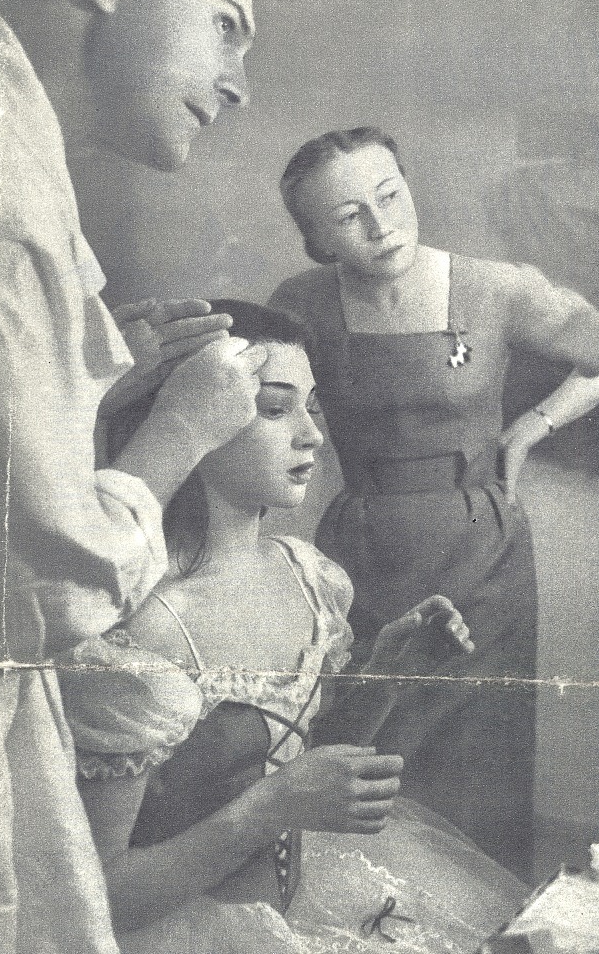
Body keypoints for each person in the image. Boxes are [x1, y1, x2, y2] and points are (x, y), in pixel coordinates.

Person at [0, 0, 277, 952]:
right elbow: (34, 593)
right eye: (225, 28)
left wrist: (92, 384)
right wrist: (180, 432)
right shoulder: (1, 196)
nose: (238, 84)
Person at [60, 300, 528, 954]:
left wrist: (383, 675)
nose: (312, 435)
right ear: (192, 418)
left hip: (301, 908)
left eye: (312, 408)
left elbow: (301, 764)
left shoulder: (308, 575)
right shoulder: (137, 632)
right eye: (274, 408)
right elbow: (96, 896)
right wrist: (271, 809)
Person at [268, 127, 599, 881]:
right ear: (317, 242)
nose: (381, 225)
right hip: (361, 556)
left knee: (479, 767)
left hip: (484, 558)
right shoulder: (300, 305)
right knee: (368, 749)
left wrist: (534, 424)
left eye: (389, 196)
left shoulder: (495, 288)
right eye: (349, 216)